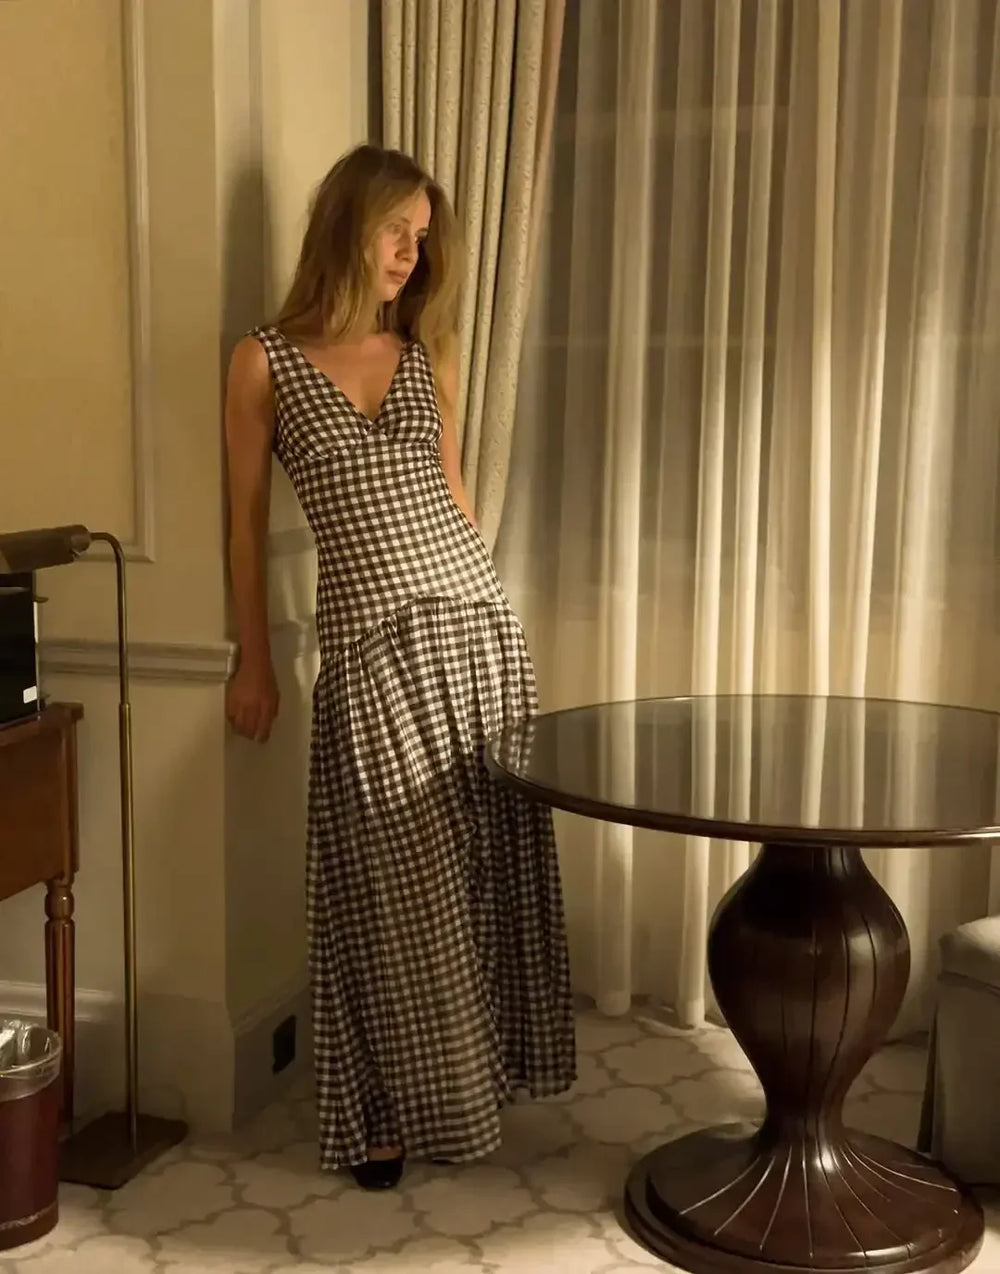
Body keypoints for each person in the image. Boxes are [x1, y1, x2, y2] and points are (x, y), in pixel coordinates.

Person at [223, 144, 576, 1190]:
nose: (412, 258)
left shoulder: (428, 355)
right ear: (349, 224)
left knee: (484, 880)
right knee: (385, 891)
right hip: (372, 651)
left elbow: (455, 497)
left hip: (475, 634)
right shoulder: (263, 361)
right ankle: (378, 1108)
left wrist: (504, 623)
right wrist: (258, 660)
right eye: (398, 234)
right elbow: (243, 530)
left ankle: (478, 1078)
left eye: (423, 242)